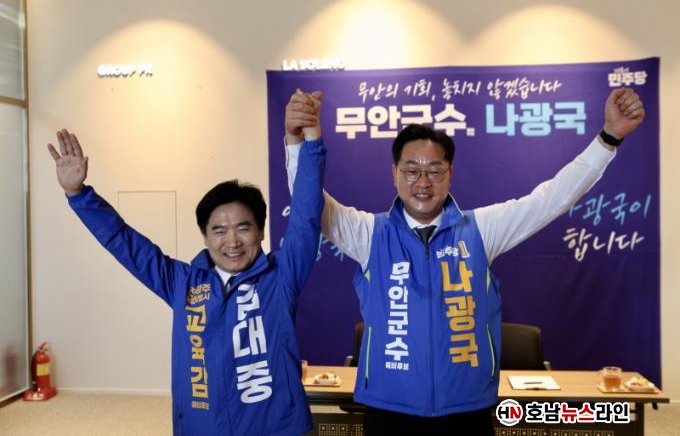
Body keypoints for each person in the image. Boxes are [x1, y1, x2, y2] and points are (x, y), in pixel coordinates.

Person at [284, 88, 644, 435]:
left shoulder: (481, 230)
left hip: (467, 411)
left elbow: (550, 199)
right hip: (389, 410)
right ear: (394, 174)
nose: (423, 181)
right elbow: (308, 203)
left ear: (450, 174)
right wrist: (298, 140)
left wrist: (608, 138)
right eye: (411, 169)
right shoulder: (369, 234)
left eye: (434, 169)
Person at [48, 100, 325, 436]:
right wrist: (78, 194)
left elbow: (306, 217)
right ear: (205, 237)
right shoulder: (183, 283)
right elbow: (124, 242)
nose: (232, 241)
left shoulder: (281, 277)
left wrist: (310, 141)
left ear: (261, 231)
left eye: (243, 227)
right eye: (219, 230)